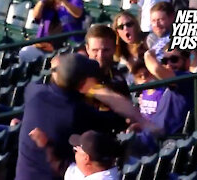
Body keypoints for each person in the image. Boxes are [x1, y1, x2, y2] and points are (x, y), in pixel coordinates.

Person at [15, 53, 156, 180]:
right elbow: (118, 119)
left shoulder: (33, 91)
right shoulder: (77, 113)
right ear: (82, 84)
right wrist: (98, 92)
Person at [29, 128, 121, 180]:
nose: (75, 154)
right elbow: (62, 167)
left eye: (76, 150)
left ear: (86, 158)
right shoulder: (91, 171)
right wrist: (47, 144)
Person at [19, 0, 85, 62]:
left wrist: (64, 2)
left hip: (66, 48)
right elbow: (36, 16)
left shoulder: (74, 1)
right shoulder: (48, 3)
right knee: (24, 52)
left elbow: (78, 13)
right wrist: (42, 1)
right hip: (44, 47)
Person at [85, 24, 130, 98]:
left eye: (105, 50)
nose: (100, 55)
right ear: (87, 49)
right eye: (95, 50)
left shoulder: (119, 78)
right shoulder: (77, 79)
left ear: (114, 49)